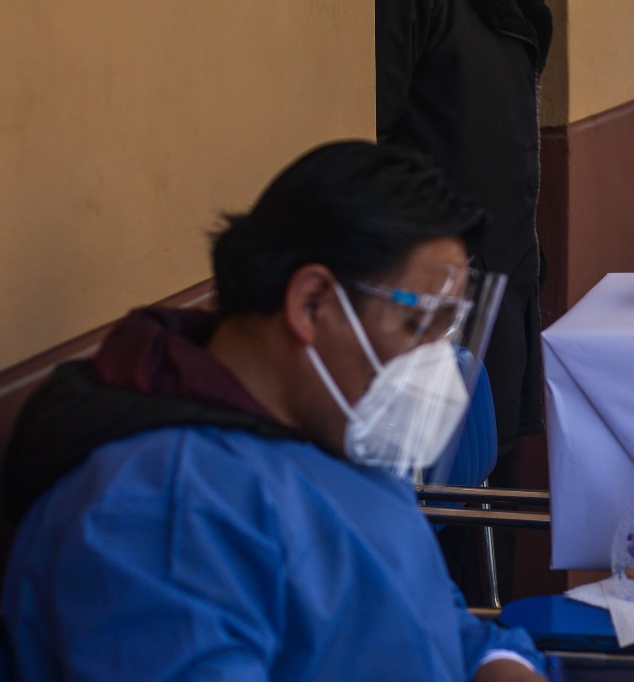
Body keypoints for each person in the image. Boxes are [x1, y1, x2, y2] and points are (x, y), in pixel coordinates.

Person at [1, 141, 549, 681]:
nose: (433, 365)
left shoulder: (336, 435)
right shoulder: (163, 511)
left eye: (444, 330)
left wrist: (496, 662)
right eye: (415, 324)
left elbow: (423, 614)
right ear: (311, 304)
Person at [375, 0, 551, 583]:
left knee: (496, 475)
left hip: (505, 264)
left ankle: (495, 647)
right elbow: (382, 122)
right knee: (443, 492)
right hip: (441, 286)